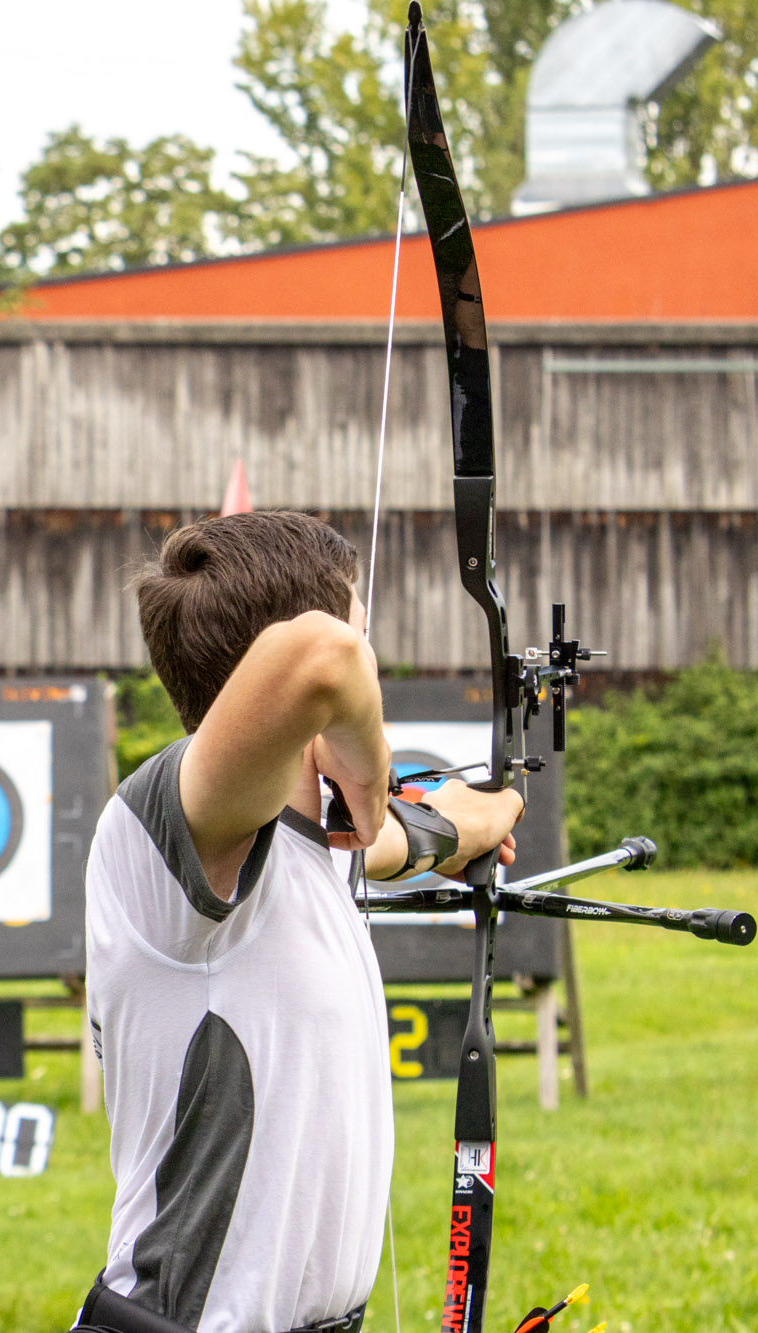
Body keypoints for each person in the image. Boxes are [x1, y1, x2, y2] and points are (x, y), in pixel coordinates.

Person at [77, 512, 525, 1333]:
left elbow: (405, 837)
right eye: (365, 630)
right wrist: (367, 760)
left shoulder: (310, 842)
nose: (366, 659)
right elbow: (324, 655)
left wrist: (488, 814)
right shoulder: (168, 832)